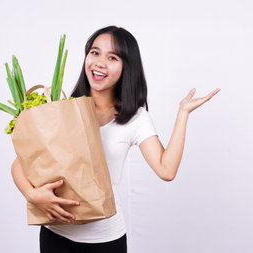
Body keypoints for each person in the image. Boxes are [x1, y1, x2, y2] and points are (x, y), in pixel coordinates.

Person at [11, 25, 220, 253]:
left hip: (105, 240)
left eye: (112, 57)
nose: (100, 62)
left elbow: (166, 170)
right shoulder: (62, 108)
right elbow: (21, 163)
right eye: (95, 52)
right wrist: (32, 195)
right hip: (56, 235)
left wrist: (183, 114)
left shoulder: (134, 118)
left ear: (126, 68)